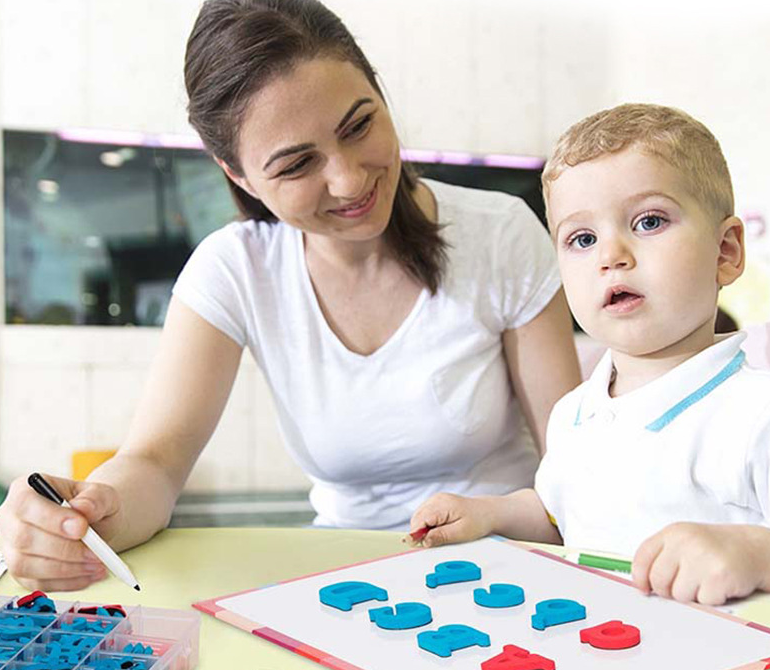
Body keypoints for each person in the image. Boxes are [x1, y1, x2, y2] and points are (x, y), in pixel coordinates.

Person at [0, 0, 580, 591]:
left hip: (504, 572)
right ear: (238, 175)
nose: (349, 180)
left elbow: (577, 460)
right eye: (297, 164)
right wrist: (89, 513)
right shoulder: (236, 269)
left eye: (359, 125)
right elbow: (154, 462)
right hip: (347, 583)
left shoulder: (500, 234)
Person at [410, 103, 770, 606]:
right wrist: (490, 513)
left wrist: (756, 553)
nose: (611, 256)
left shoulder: (754, 413)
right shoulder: (574, 413)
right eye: (582, 238)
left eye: (649, 221)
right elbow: (562, 516)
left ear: (726, 251)